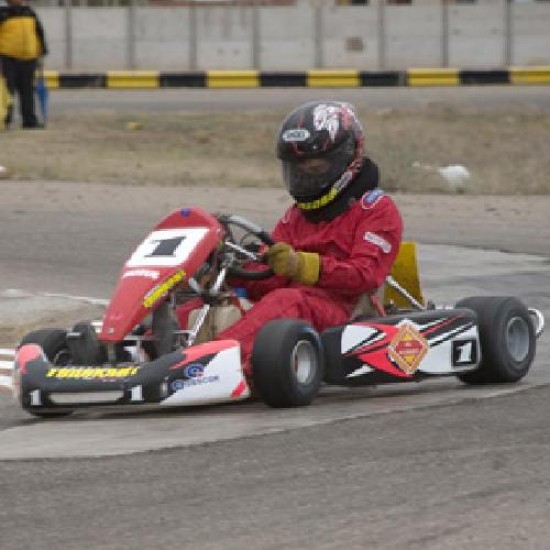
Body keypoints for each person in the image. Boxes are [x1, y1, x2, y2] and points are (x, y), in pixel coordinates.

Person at [212, 100, 404, 378]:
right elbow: (270, 279)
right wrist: (230, 269)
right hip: (294, 309)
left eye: (314, 169)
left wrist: (302, 266)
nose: (304, 179)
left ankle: (209, 366)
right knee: (212, 300)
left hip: (345, 312)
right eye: (297, 169)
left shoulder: (376, 209)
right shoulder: (296, 216)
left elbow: (365, 276)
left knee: (288, 301)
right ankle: (149, 351)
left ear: (347, 158)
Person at [0, 0, 47, 129]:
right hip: (7, 58)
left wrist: (41, 51)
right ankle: (5, 119)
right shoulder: (2, 14)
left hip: (29, 58)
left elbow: (39, 33)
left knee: (28, 91)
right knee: (7, 91)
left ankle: (29, 120)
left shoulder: (30, 13)